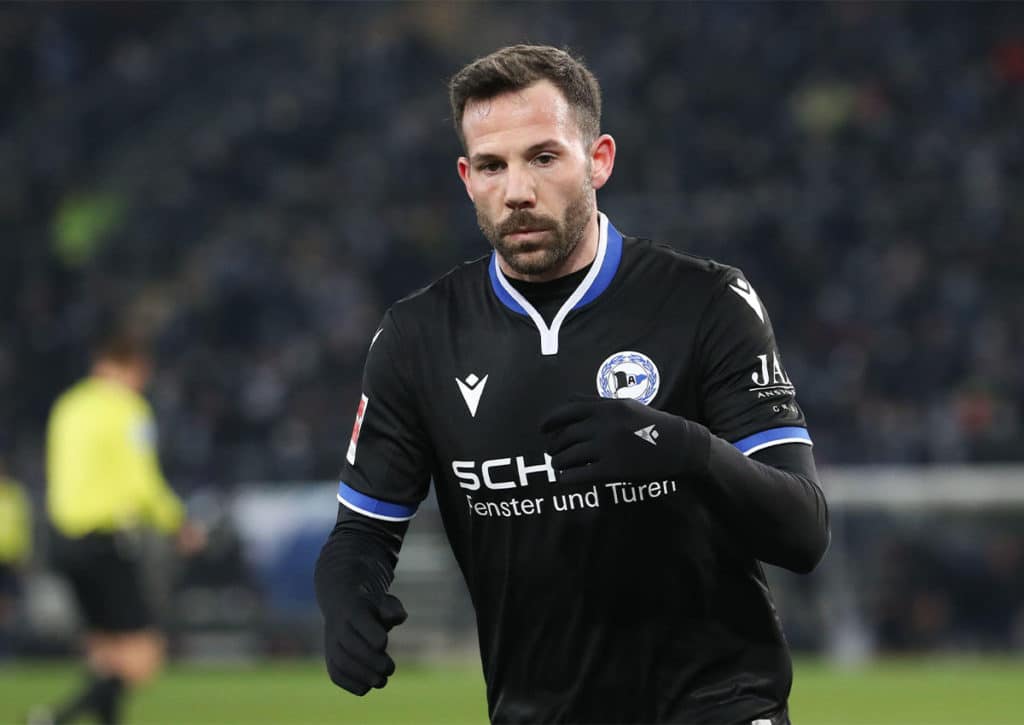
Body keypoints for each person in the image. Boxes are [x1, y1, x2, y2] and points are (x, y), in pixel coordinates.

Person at [315, 44, 829, 725]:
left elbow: (802, 531)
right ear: (467, 177)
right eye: (492, 166)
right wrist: (347, 596)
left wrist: (684, 448)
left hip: (718, 706)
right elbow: (362, 533)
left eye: (543, 157)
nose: (517, 192)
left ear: (599, 159)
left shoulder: (706, 302)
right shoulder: (417, 337)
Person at [32, 328, 205, 725]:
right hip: (104, 540)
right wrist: (177, 523)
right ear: (131, 367)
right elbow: (140, 480)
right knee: (144, 657)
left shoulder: (68, 406)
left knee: (105, 655)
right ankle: (53, 718)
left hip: (62, 540)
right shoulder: (127, 408)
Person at [0, 459, 32, 658]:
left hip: (9, 558)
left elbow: (23, 525)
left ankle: (5, 648)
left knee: (7, 606)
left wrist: (23, 554)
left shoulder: (14, 494)